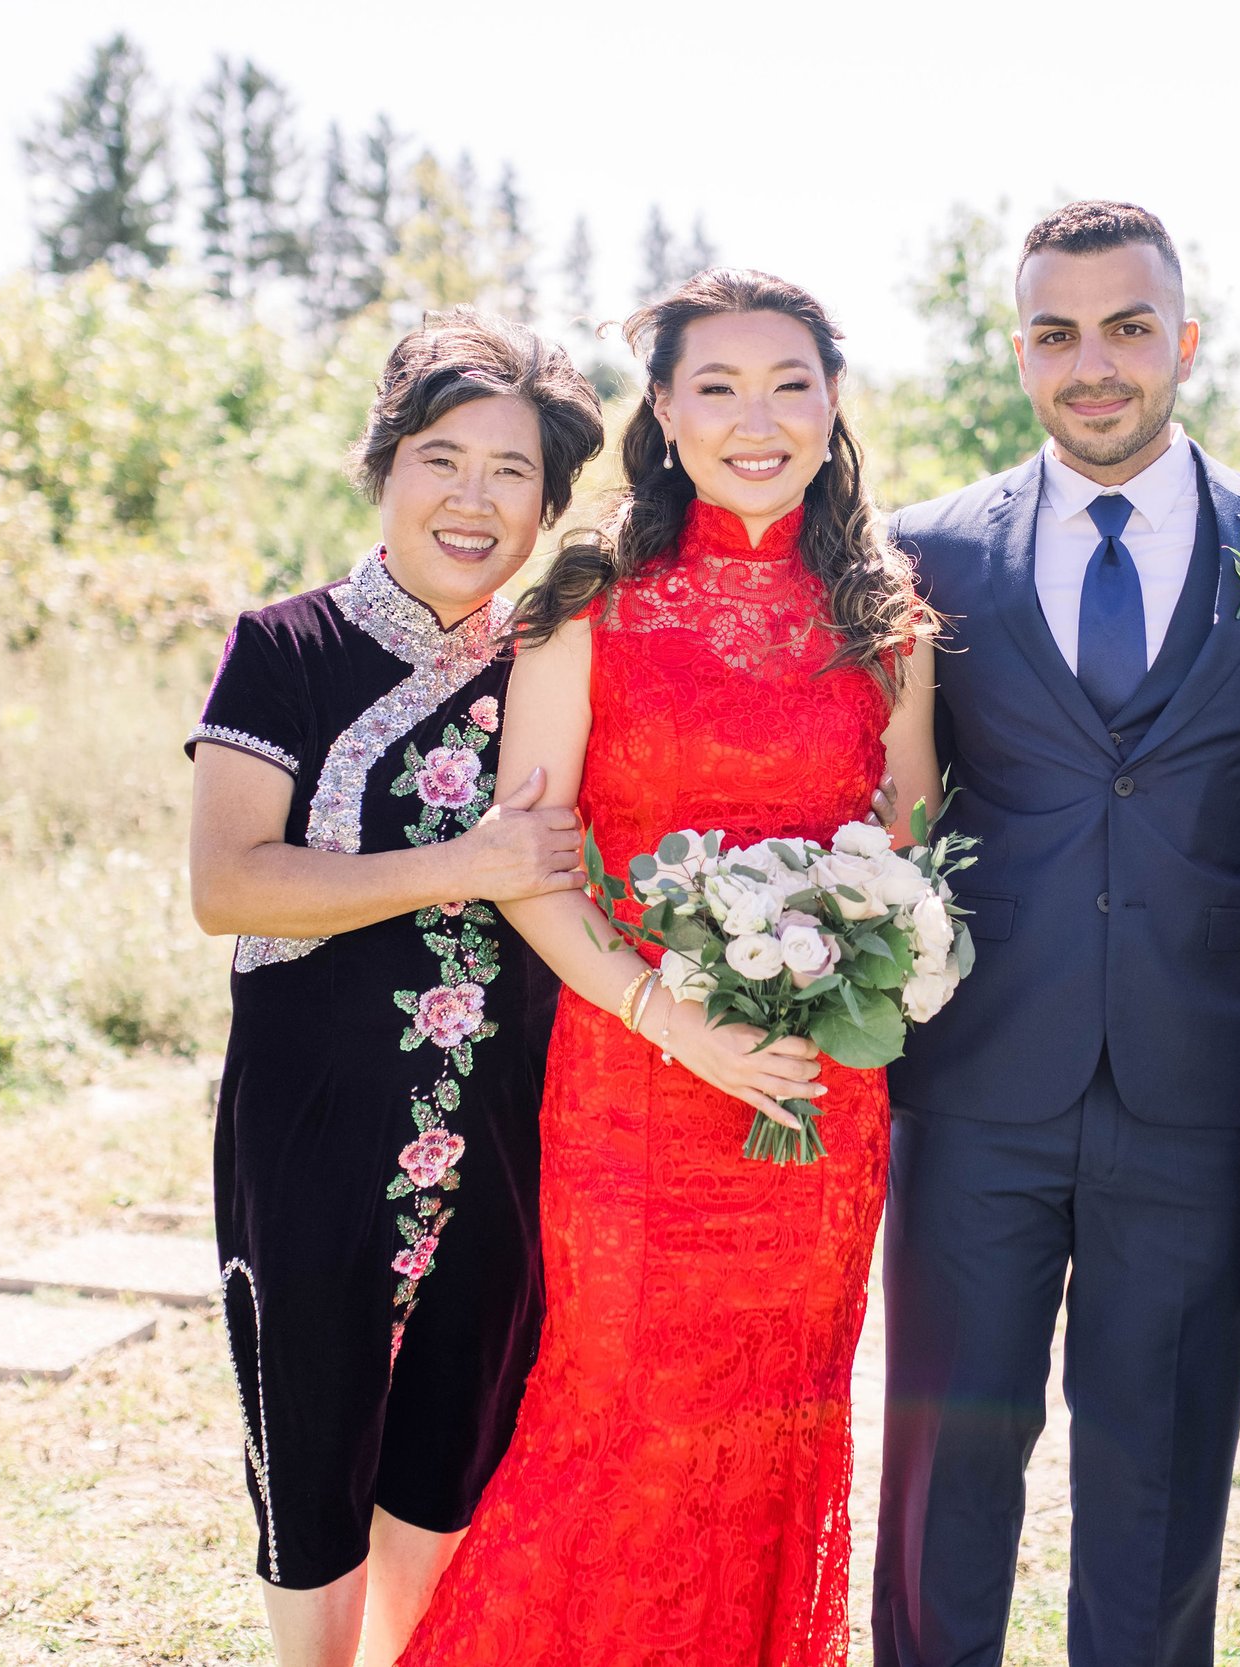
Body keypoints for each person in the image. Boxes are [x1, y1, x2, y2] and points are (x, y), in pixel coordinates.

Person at [397, 268, 938, 1667]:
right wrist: (669, 1017)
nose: (757, 418)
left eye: (790, 384)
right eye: (719, 386)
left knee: (779, 1426)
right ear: (666, 413)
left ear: (832, 405)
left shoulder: (890, 624)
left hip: (819, 1103)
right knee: (617, 1418)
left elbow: (906, 859)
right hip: (633, 1090)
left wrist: (863, 978)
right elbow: (531, 864)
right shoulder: (588, 601)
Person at [873, 201, 1240, 1667]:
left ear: (1185, 342)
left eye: (1129, 327)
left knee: (1161, 1478)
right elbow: (901, 797)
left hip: (1195, 1101)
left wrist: (1184, 872)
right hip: (974, 1094)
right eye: (1059, 332)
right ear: (1019, 355)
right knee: (945, 1479)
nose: (1098, 363)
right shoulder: (927, 553)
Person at [185, 308, 604, 1667]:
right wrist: (466, 861)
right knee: (312, 1445)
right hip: (313, 1124)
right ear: (386, 466)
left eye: (512, 473)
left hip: (497, 1131)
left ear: (549, 502)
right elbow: (229, 885)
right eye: (442, 459)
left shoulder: (554, 663)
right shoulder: (286, 647)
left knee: (447, 1444)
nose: (473, 500)